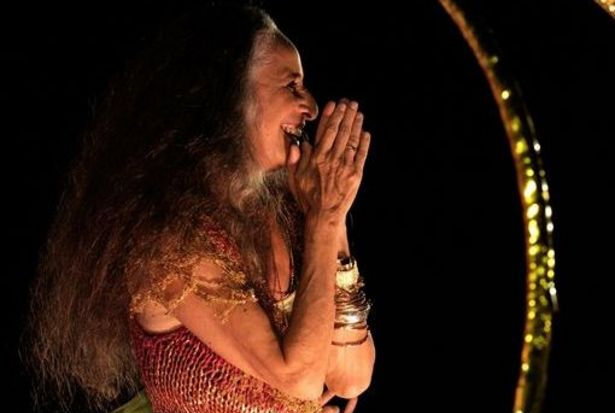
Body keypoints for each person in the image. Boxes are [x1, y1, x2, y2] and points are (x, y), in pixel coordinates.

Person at [25, 4, 375, 413]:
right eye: (291, 86)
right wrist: (325, 217)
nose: (312, 107)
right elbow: (299, 379)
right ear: (228, 96)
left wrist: (332, 222)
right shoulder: (168, 240)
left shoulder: (285, 212)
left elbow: (351, 376)